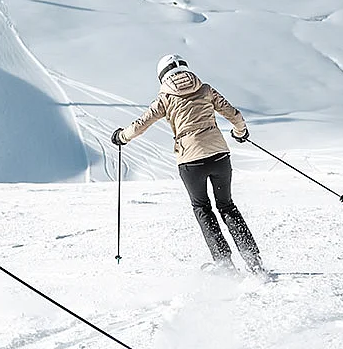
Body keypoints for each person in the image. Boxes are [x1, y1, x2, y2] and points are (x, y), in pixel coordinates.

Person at [111, 54, 265, 277]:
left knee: (202, 208)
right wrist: (240, 132)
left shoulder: (165, 98)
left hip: (191, 162)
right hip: (220, 156)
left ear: (162, 76)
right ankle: (255, 263)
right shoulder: (205, 89)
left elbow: (140, 125)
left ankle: (224, 265)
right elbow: (234, 114)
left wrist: (121, 137)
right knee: (227, 206)